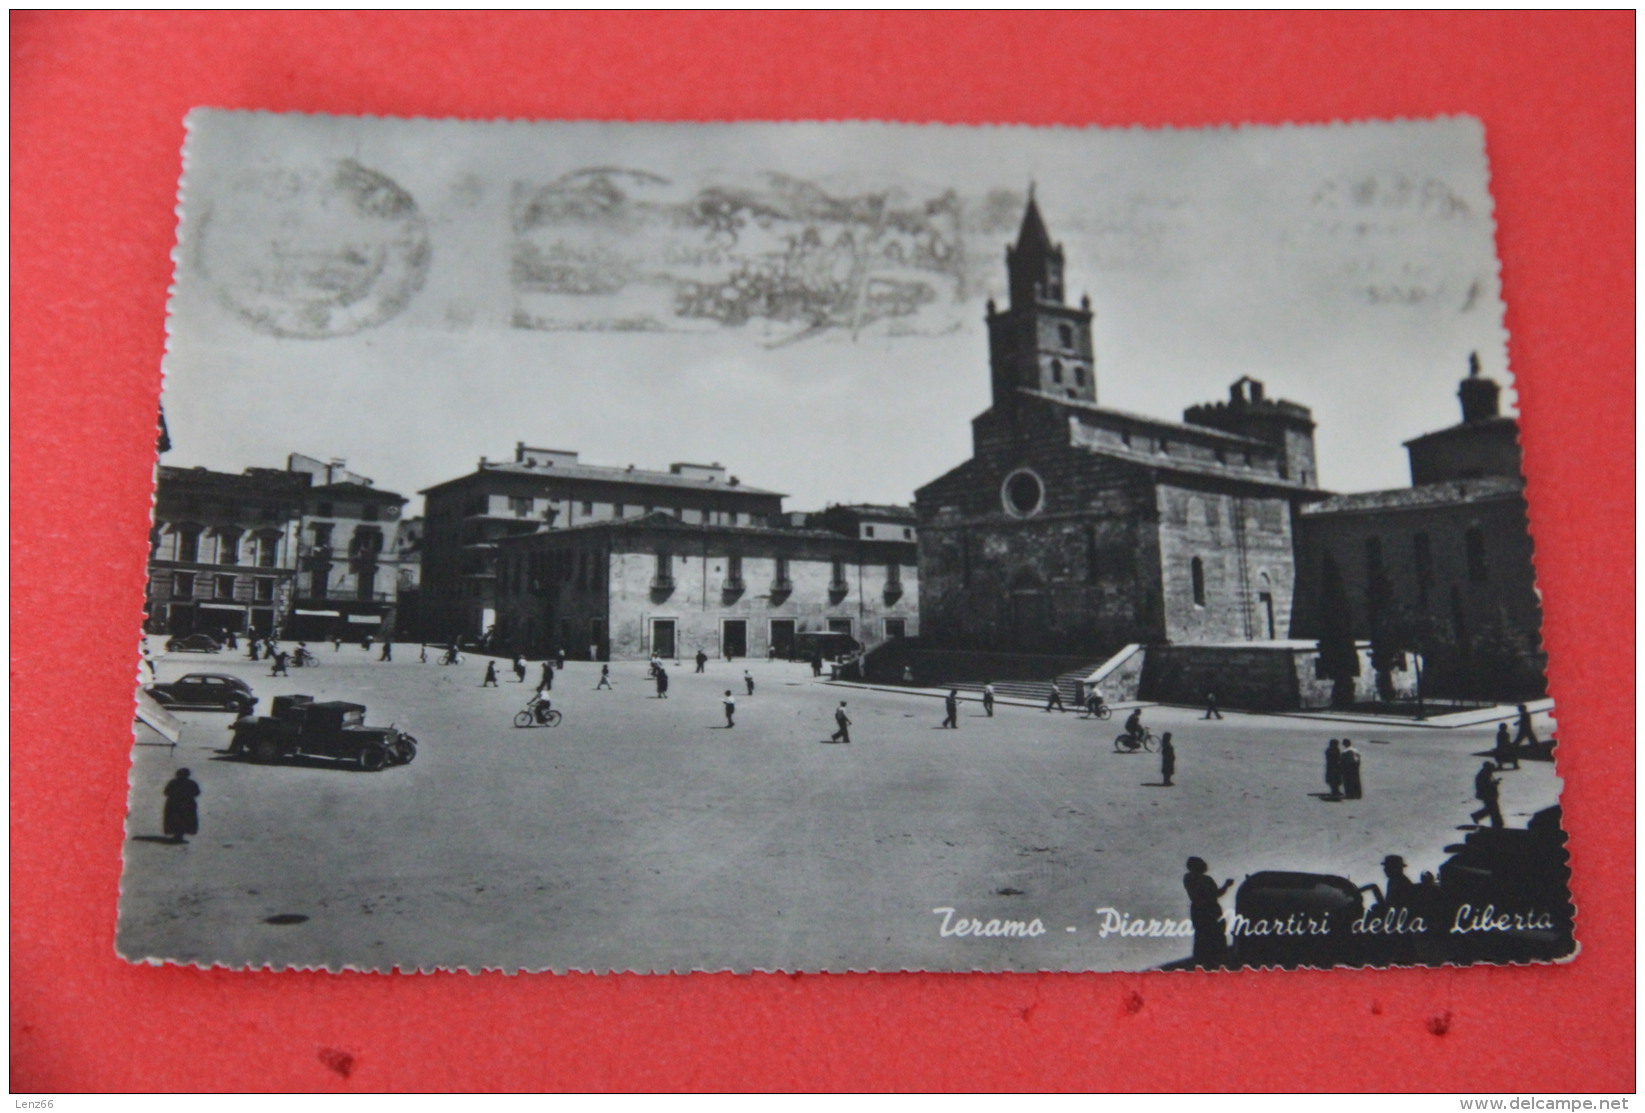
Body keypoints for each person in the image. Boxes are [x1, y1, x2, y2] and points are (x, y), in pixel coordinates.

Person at [1183, 857, 1233, 968]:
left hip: (1204, 910)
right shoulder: (1200, 879)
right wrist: (1226, 885)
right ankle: (1213, 961)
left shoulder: (1191, 878)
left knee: (1205, 936)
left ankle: (1206, 961)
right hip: (1208, 910)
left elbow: (1216, 894)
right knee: (1212, 936)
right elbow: (1216, 894)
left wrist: (1226, 886)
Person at [162, 768, 200, 844]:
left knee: (175, 819)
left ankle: (177, 835)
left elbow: (166, 792)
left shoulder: (173, 783)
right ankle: (180, 835)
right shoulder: (191, 783)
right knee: (184, 819)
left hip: (174, 804)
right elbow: (196, 793)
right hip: (187, 804)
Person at [1470, 762, 1503, 828]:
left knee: (1491, 809)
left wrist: (1494, 783)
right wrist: (1494, 784)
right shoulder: (1484, 775)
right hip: (1487, 795)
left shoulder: (1485, 774)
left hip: (1488, 794)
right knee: (1493, 809)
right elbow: (1486, 786)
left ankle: (1497, 823)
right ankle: (1497, 824)